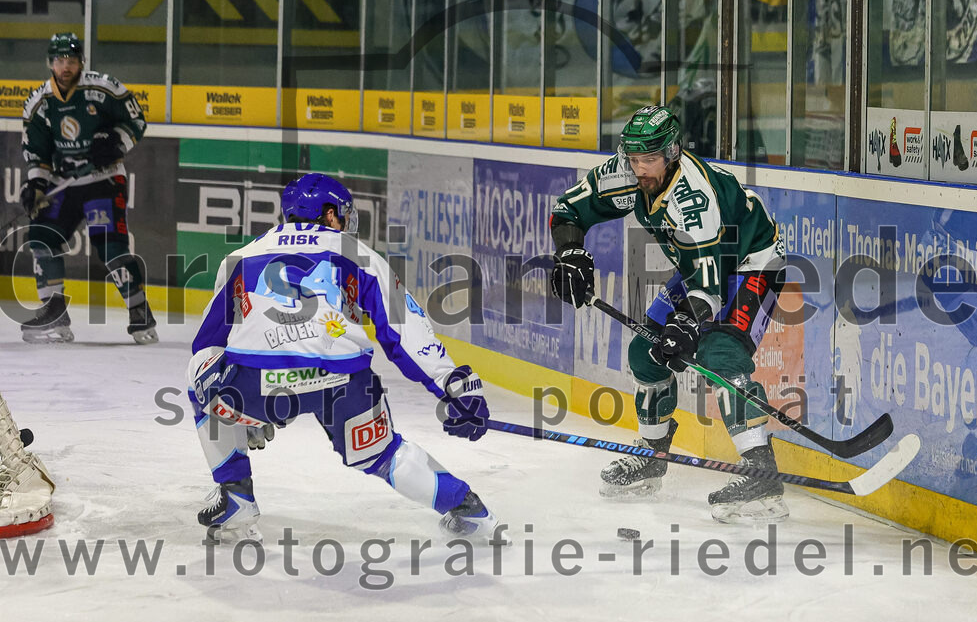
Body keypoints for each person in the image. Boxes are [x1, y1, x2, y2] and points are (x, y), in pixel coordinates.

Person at [187, 173, 501, 544]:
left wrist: (240, 413)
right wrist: (452, 387)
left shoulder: (241, 256)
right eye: (344, 214)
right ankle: (471, 512)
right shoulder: (357, 254)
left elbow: (206, 343)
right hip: (342, 378)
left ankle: (235, 491)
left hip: (256, 384)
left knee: (200, 374)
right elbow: (404, 329)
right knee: (383, 454)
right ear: (330, 214)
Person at [549, 105, 788, 522]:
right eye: (634, 159)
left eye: (649, 160)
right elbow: (568, 209)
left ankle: (762, 473)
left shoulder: (692, 199)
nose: (640, 169)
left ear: (673, 152)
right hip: (699, 266)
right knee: (646, 352)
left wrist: (687, 324)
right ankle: (652, 456)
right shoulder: (625, 172)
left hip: (751, 261)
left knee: (720, 352)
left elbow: (710, 286)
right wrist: (569, 250)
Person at [18, 32, 155, 344]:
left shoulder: (103, 88)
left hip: (103, 180)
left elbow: (136, 121)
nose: (66, 67)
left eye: (71, 60)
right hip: (63, 185)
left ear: (81, 62)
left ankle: (139, 312)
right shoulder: (39, 103)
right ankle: (54, 312)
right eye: (59, 61)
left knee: (110, 247)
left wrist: (113, 143)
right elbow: (37, 151)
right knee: (42, 237)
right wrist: (36, 183)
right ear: (49, 63)